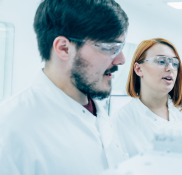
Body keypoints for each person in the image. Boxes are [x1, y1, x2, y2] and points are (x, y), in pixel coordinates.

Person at [0, 0, 129, 174]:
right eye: (110, 48)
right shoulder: (9, 128)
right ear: (64, 48)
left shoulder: (97, 110)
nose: (121, 60)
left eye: (120, 48)